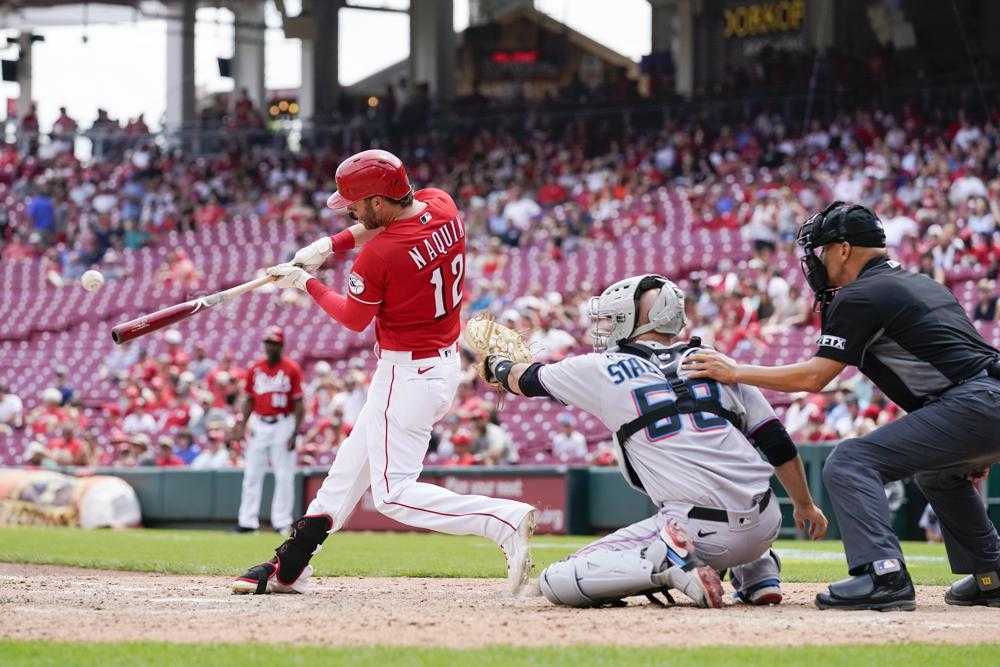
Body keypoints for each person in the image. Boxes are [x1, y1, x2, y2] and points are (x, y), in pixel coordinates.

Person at [234, 149, 536, 595]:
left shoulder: (379, 255)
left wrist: (307, 282)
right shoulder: (442, 204)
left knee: (393, 494)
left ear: (378, 201)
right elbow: (390, 225)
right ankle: (292, 565)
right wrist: (328, 246)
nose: (350, 211)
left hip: (407, 373)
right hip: (438, 366)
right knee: (349, 467)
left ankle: (503, 521)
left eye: (355, 203)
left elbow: (355, 318)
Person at [683, 202, 1000, 611]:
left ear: (844, 249)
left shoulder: (861, 295)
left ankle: (882, 575)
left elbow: (814, 379)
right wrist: (973, 441)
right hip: (983, 397)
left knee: (849, 460)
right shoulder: (922, 284)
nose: (816, 261)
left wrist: (734, 371)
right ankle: (992, 574)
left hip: (975, 403)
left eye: (822, 250)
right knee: (939, 475)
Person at [479, 274, 827, 608]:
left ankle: (671, 565)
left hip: (698, 530)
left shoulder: (601, 367)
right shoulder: (715, 360)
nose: (608, 326)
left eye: (615, 317)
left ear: (634, 319)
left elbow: (526, 380)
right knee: (725, 469)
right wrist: (804, 505)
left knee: (557, 581)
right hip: (765, 522)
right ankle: (759, 574)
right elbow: (777, 442)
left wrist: (495, 363)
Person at [231, 327, 305, 535]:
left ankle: (282, 522)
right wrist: (242, 424)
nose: (269, 346)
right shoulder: (255, 368)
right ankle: (247, 521)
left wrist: (295, 432)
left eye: (273, 342)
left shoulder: (291, 368)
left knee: (284, 475)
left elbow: (299, 403)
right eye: (267, 342)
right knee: (252, 474)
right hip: (259, 423)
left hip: (283, 422)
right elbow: (248, 399)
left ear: (281, 345)